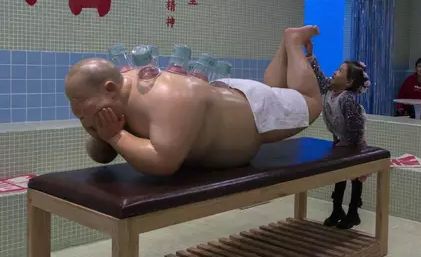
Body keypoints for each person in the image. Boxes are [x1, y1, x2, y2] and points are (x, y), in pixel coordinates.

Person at [65, 26, 323, 176]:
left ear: (109, 88)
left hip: (252, 112)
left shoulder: (167, 96)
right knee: (277, 91)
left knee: (310, 102)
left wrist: (114, 137)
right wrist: (104, 134)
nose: (75, 109)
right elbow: (101, 155)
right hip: (229, 97)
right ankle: (286, 40)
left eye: (78, 100)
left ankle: (293, 41)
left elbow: (163, 162)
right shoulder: (113, 98)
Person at [305, 41, 370, 230]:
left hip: (354, 142)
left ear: (348, 83)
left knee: (356, 176)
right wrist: (311, 55)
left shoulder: (347, 99)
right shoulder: (330, 89)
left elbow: (356, 127)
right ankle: (336, 210)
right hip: (339, 138)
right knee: (340, 174)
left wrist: (350, 144)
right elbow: (318, 76)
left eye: (340, 71)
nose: (335, 72)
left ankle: (353, 213)